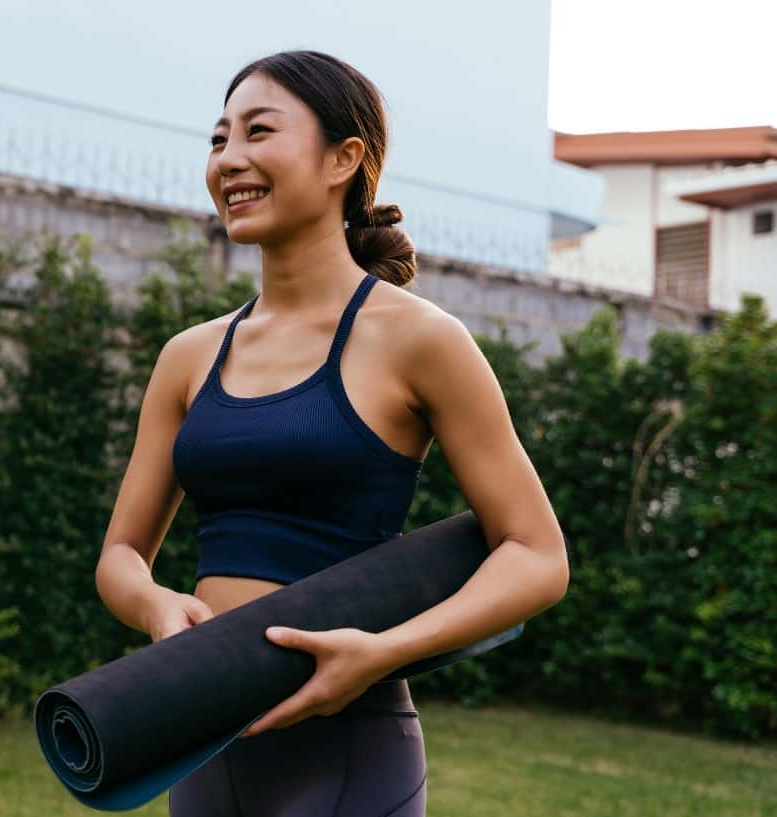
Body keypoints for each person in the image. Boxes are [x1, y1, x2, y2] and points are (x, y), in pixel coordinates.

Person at [94, 50, 569, 817]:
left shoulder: (421, 341)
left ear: (344, 159)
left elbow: (539, 555)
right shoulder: (189, 356)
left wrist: (385, 651)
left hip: (353, 748)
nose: (230, 160)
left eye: (258, 132)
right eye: (218, 140)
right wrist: (154, 606)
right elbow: (121, 555)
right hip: (205, 735)